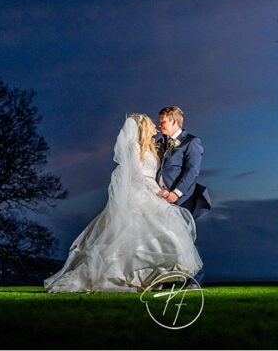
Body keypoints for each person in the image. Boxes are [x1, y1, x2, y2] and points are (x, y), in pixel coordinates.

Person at [44, 114, 202, 293]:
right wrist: (159, 192)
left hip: (154, 193)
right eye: (152, 123)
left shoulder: (153, 146)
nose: (156, 126)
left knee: (157, 236)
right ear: (142, 127)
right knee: (135, 236)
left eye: (159, 122)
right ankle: (123, 275)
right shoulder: (133, 147)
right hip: (142, 194)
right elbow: (137, 175)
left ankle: (150, 277)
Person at [156, 106, 211, 288]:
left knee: (184, 239)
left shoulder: (191, 142)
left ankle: (195, 279)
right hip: (160, 199)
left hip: (182, 199)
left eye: (163, 121)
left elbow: (192, 171)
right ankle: (169, 279)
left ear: (173, 121)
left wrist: (176, 193)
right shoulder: (160, 142)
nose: (160, 124)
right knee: (165, 240)